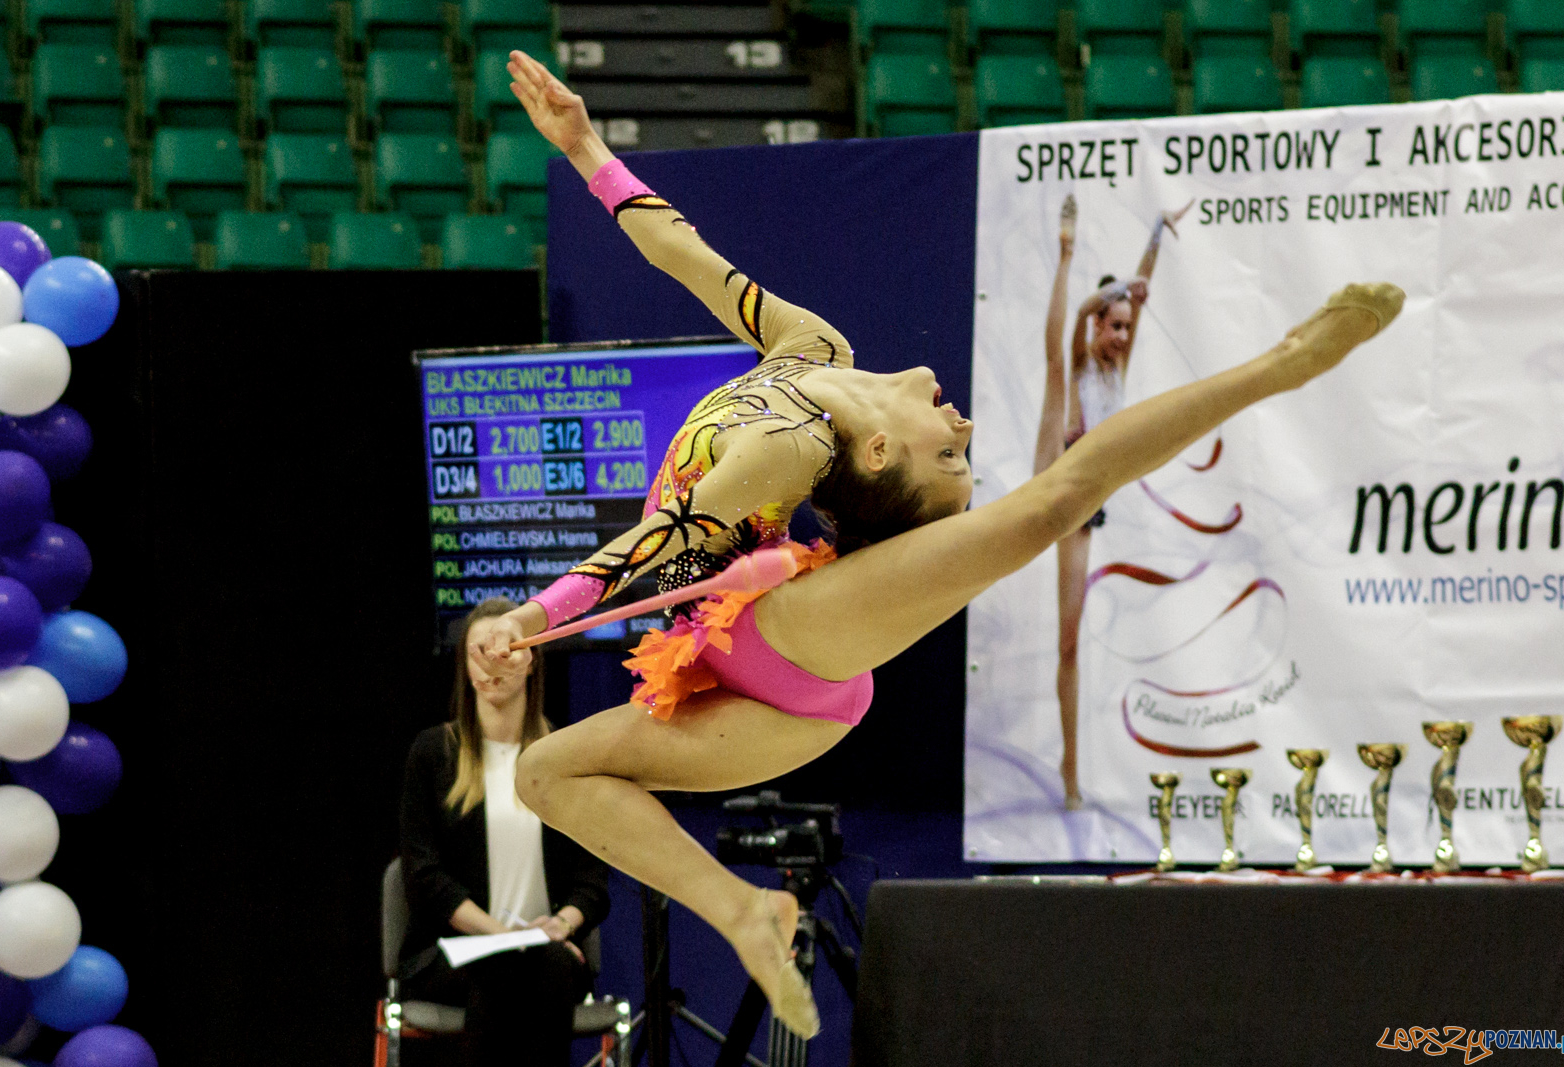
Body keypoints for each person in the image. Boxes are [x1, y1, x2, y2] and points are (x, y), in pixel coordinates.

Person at [481, 49, 1404, 1038]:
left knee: (1043, 510)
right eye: (964, 451)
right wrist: (588, 151)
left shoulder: (791, 445)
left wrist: (532, 616)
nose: (964, 430)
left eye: (949, 458)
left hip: (785, 659)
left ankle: (1280, 366)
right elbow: (688, 253)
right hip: (733, 648)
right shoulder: (814, 349)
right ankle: (741, 909)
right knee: (543, 773)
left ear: (876, 454)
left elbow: (653, 542)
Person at [398, 597, 610, 1067]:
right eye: (480, 651)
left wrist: (562, 924)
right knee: (506, 967)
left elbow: (593, 880)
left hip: (547, 951)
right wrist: (502, 935)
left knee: (543, 967)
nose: (492, 663)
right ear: (464, 665)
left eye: (506, 649)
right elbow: (424, 877)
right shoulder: (434, 753)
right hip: (452, 954)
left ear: (530, 659)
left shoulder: (565, 759)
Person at [1033, 194, 1192, 809]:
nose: (1123, 337)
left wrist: (1156, 232)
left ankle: (1070, 772)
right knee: (1068, 644)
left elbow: (1140, 291)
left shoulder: (1115, 370)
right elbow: (1072, 318)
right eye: (1114, 326)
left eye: (1127, 328)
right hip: (1055, 496)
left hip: (1085, 504)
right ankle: (1071, 776)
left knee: (1069, 644)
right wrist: (1072, 256)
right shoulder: (1079, 362)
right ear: (1099, 325)